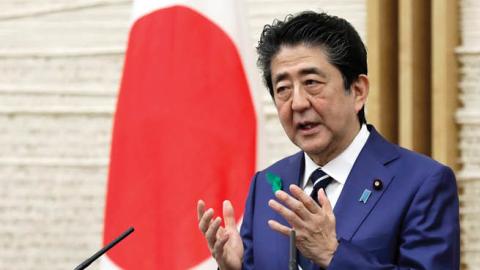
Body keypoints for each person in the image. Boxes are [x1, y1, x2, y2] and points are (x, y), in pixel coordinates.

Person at [197, 11, 460, 270]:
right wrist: (234, 268)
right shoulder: (267, 184)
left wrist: (333, 255)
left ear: (357, 91)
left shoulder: (423, 183)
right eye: (283, 89)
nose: (297, 103)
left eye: (311, 82)